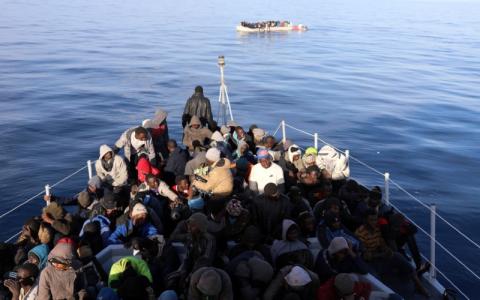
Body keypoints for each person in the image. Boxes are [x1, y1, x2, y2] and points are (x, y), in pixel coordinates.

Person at [355, 209, 429, 296]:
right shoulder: (359, 233)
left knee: (397, 256)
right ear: (366, 220)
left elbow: (381, 242)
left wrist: (386, 249)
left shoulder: (376, 228)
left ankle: (419, 285)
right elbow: (366, 257)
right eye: (371, 220)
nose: (374, 222)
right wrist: (382, 254)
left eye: (375, 219)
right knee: (376, 277)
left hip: (379, 256)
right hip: (371, 262)